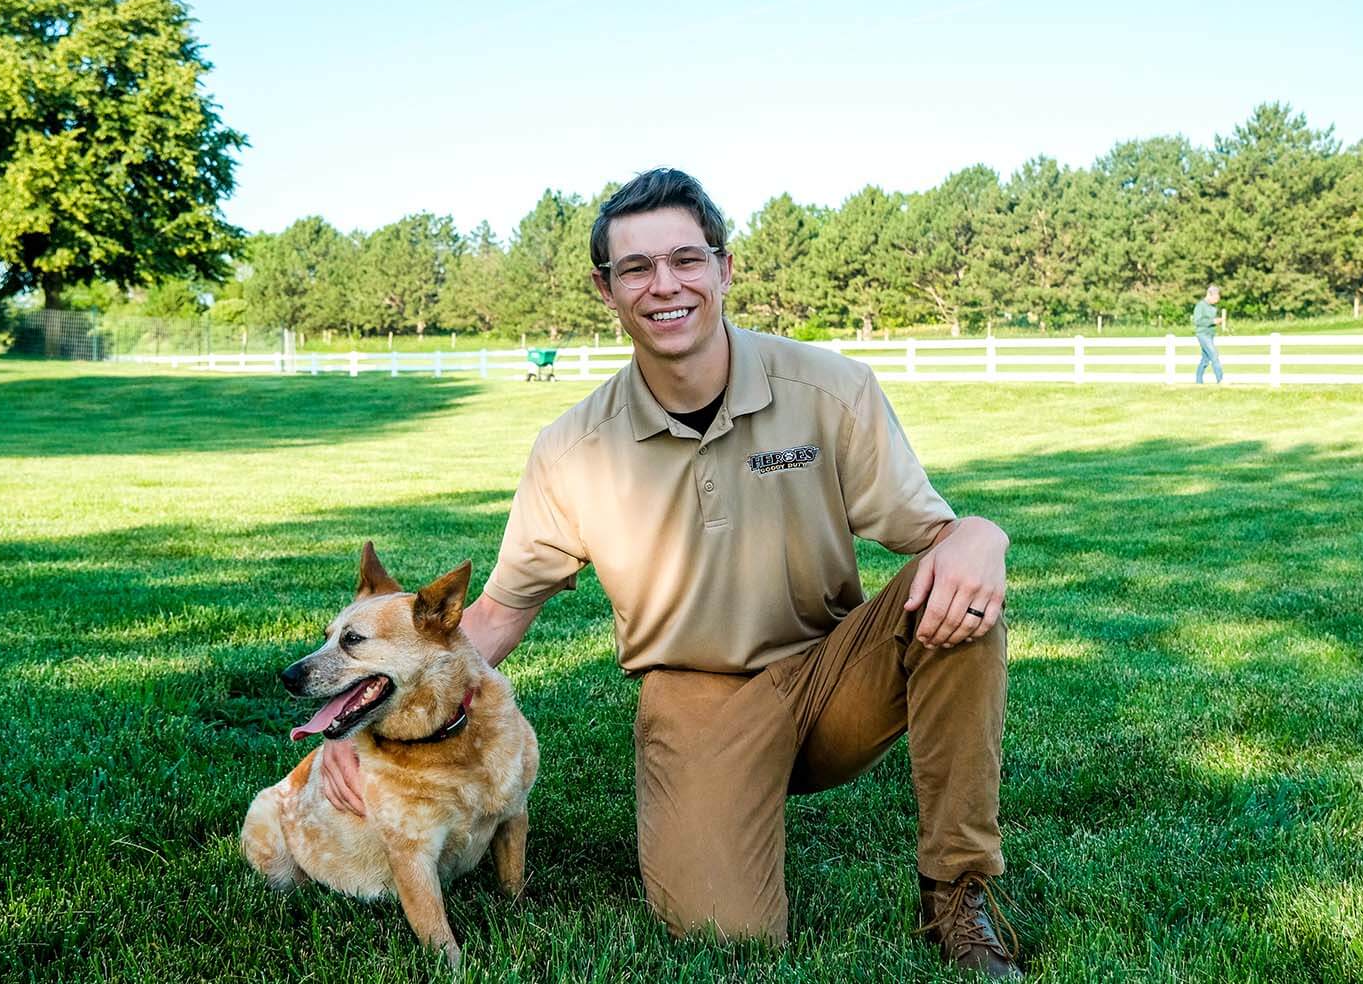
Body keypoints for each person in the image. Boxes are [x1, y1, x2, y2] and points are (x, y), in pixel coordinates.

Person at [317, 169, 1020, 976]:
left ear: (724, 268)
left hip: (833, 674)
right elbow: (494, 617)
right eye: (637, 268)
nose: (666, 285)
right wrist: (355, 718)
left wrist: (979, 532)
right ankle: (730, 807)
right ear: (606, 289)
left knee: (965, 603)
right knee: (728, 933)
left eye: (687, 259)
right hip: (696, 697)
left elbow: (936, 537)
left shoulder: (829, 388)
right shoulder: (574, 450)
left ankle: (957, 894)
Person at [1193, 284, 1225, 384]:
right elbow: (1197, 321)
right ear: (1209, 294)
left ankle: (1198, 382)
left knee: (1205, 360)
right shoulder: (1200, 306)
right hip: (1202, 335)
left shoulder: (1213, 307)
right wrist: (1212, 321)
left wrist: (1217, 321)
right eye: (1215, 298)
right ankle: (1220, 380)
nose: (1216, 301)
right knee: (1214, 355)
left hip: (1210, 335)